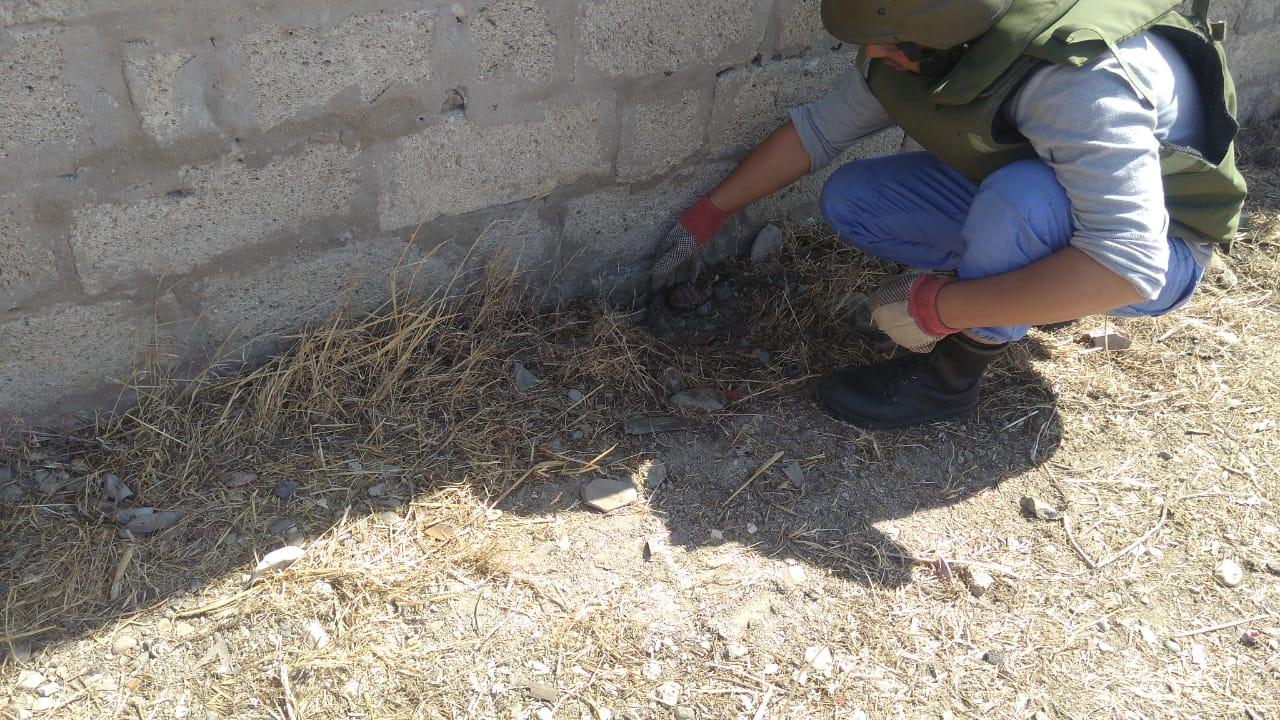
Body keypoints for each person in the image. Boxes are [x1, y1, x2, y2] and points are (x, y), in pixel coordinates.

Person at [649, 0, 1247, 430]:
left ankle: (951, 380)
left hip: (1162, 250)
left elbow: (1128, 263)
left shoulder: (1077, 81)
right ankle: (1030, 293)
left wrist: (937, 308)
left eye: (888, 39)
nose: (873, 51)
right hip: (1059, 207)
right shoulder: (941, 41)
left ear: (944, 25)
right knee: (854, 198)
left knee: (1021, 202)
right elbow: (819, 130)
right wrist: (710, 212)